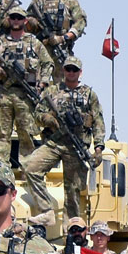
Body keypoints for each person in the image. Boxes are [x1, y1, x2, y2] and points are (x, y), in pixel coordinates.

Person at [31, 56, 106, 224]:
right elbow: (37, 114)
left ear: (80, 72)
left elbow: (98, 121)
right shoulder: (52, 91)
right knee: (31, 168)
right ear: (63, 70)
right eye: (68, 69)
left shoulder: (89, 95)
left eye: (74, 70)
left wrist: (99, 148)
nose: (71, 73)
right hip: (55, 143)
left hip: (76, 146)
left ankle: (71, 234)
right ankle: (46, 211)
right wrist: (49, 119)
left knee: (72, 192)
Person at [0, 5, 52, 170]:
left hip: (26, 94)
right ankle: (1, 169)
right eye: (13, 18)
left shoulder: (34, 43)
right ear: (9, 20)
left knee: (26, 133)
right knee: (1, 133)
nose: (16, 21)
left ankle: (27, 169)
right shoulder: (0, 43)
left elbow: (48, 63)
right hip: (4, 93)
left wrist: (42, 83)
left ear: (25, 20)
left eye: (19, 18)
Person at [25, 0, 87, 70]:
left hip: (61, 48)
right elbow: (24, 21)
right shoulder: (38, 1)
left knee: (63, 82)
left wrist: (63, 38)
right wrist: (33, 22)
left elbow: (80, 23)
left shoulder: (70, 1)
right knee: (37, 82)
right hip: (41, 49)